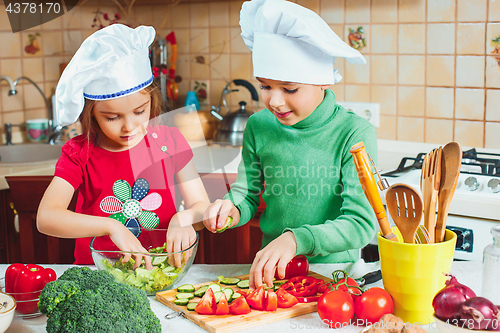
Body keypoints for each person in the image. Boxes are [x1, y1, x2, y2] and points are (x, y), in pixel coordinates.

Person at [203, 0, 378, 289]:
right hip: (273, 272)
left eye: (290, 88)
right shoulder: (258, 126)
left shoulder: (354, 132)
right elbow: (246, 195)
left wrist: (297, 239)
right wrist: (230, 209)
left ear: (322, 82)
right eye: (265, 86)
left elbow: (359, 224)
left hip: (337, 277)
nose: (274, 101)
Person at [37, 24, 209, 269]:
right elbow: (46, 217)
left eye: (140, 111)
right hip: (98, 274)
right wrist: (111, 226)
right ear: (92, 113)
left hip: (161, 271)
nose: (129, 126)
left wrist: (185, 218)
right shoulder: (80, 152)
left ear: (152, 100)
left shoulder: (169, 141)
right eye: (112, 117)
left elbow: (201, 207)